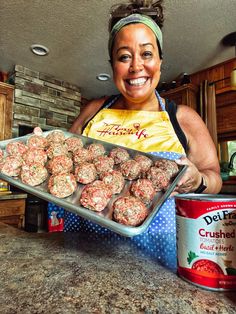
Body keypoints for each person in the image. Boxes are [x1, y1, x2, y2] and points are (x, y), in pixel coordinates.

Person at [50, 0, 222, 262]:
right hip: (83, 254)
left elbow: (214, 178)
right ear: (112, 65)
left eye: (146, 53)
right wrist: (42, 149)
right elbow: (65, 161)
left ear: (160, 60)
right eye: (124, 56)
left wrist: (198, 179)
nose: (135, 67)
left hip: (158, 261)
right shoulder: (93, 110)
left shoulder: (184, 118)